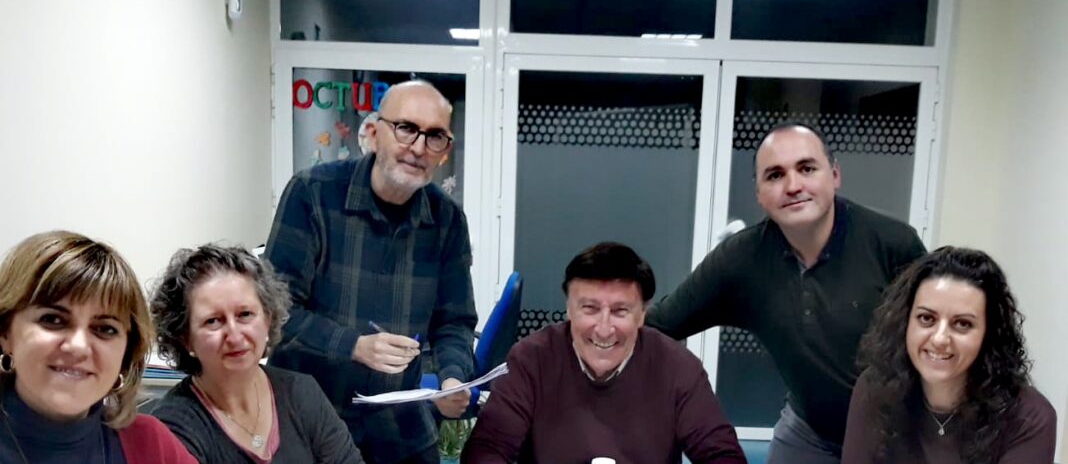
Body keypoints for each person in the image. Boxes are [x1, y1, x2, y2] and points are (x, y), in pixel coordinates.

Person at [645, 122, 928, 464]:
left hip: (897, 437)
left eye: (807, 168)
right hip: (810, 433)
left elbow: (944, 337)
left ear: (834, 175)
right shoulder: (740, 260)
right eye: (775, 175)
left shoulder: (893, 244)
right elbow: (657, 325)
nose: (793, 186)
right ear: (759, 193)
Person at [265, 80, 478, 464]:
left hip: (399, 426)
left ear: (444, 151)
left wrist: (451, 378)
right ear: (374, 133)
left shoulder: (446, 219)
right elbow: (276, 312)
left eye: (434, 136)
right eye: (406, 128)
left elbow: (454, 321)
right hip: (309, 422)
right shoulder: (313, 193)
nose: (418, 148)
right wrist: (355, 346)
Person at [462, 242, 747, 464]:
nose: (604, 329)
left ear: (642, 314)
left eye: (620, 311)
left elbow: (721, 454)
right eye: (590, 309)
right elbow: (488, 449)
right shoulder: (532, 358)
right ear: (569, 309)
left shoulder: (677, 366)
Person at [149, 244, 364, 463]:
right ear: (185, 339)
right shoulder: (172, 428)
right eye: (213, 321)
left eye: (245, 314)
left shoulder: (301, 392)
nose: (234, 336)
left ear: (268, 319)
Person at [841, 247, 1056, 464]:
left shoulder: (1029, 418)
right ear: (905, 322)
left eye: (962, 324)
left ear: (988, 334)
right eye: (926, 319)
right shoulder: (875, 389)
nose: (940, 339)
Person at [0, 230, 195, 464]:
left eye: (105, 329)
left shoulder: (152, 444)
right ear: (5, 333)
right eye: (53, 319)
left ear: (126, 353)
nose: (79, 346)